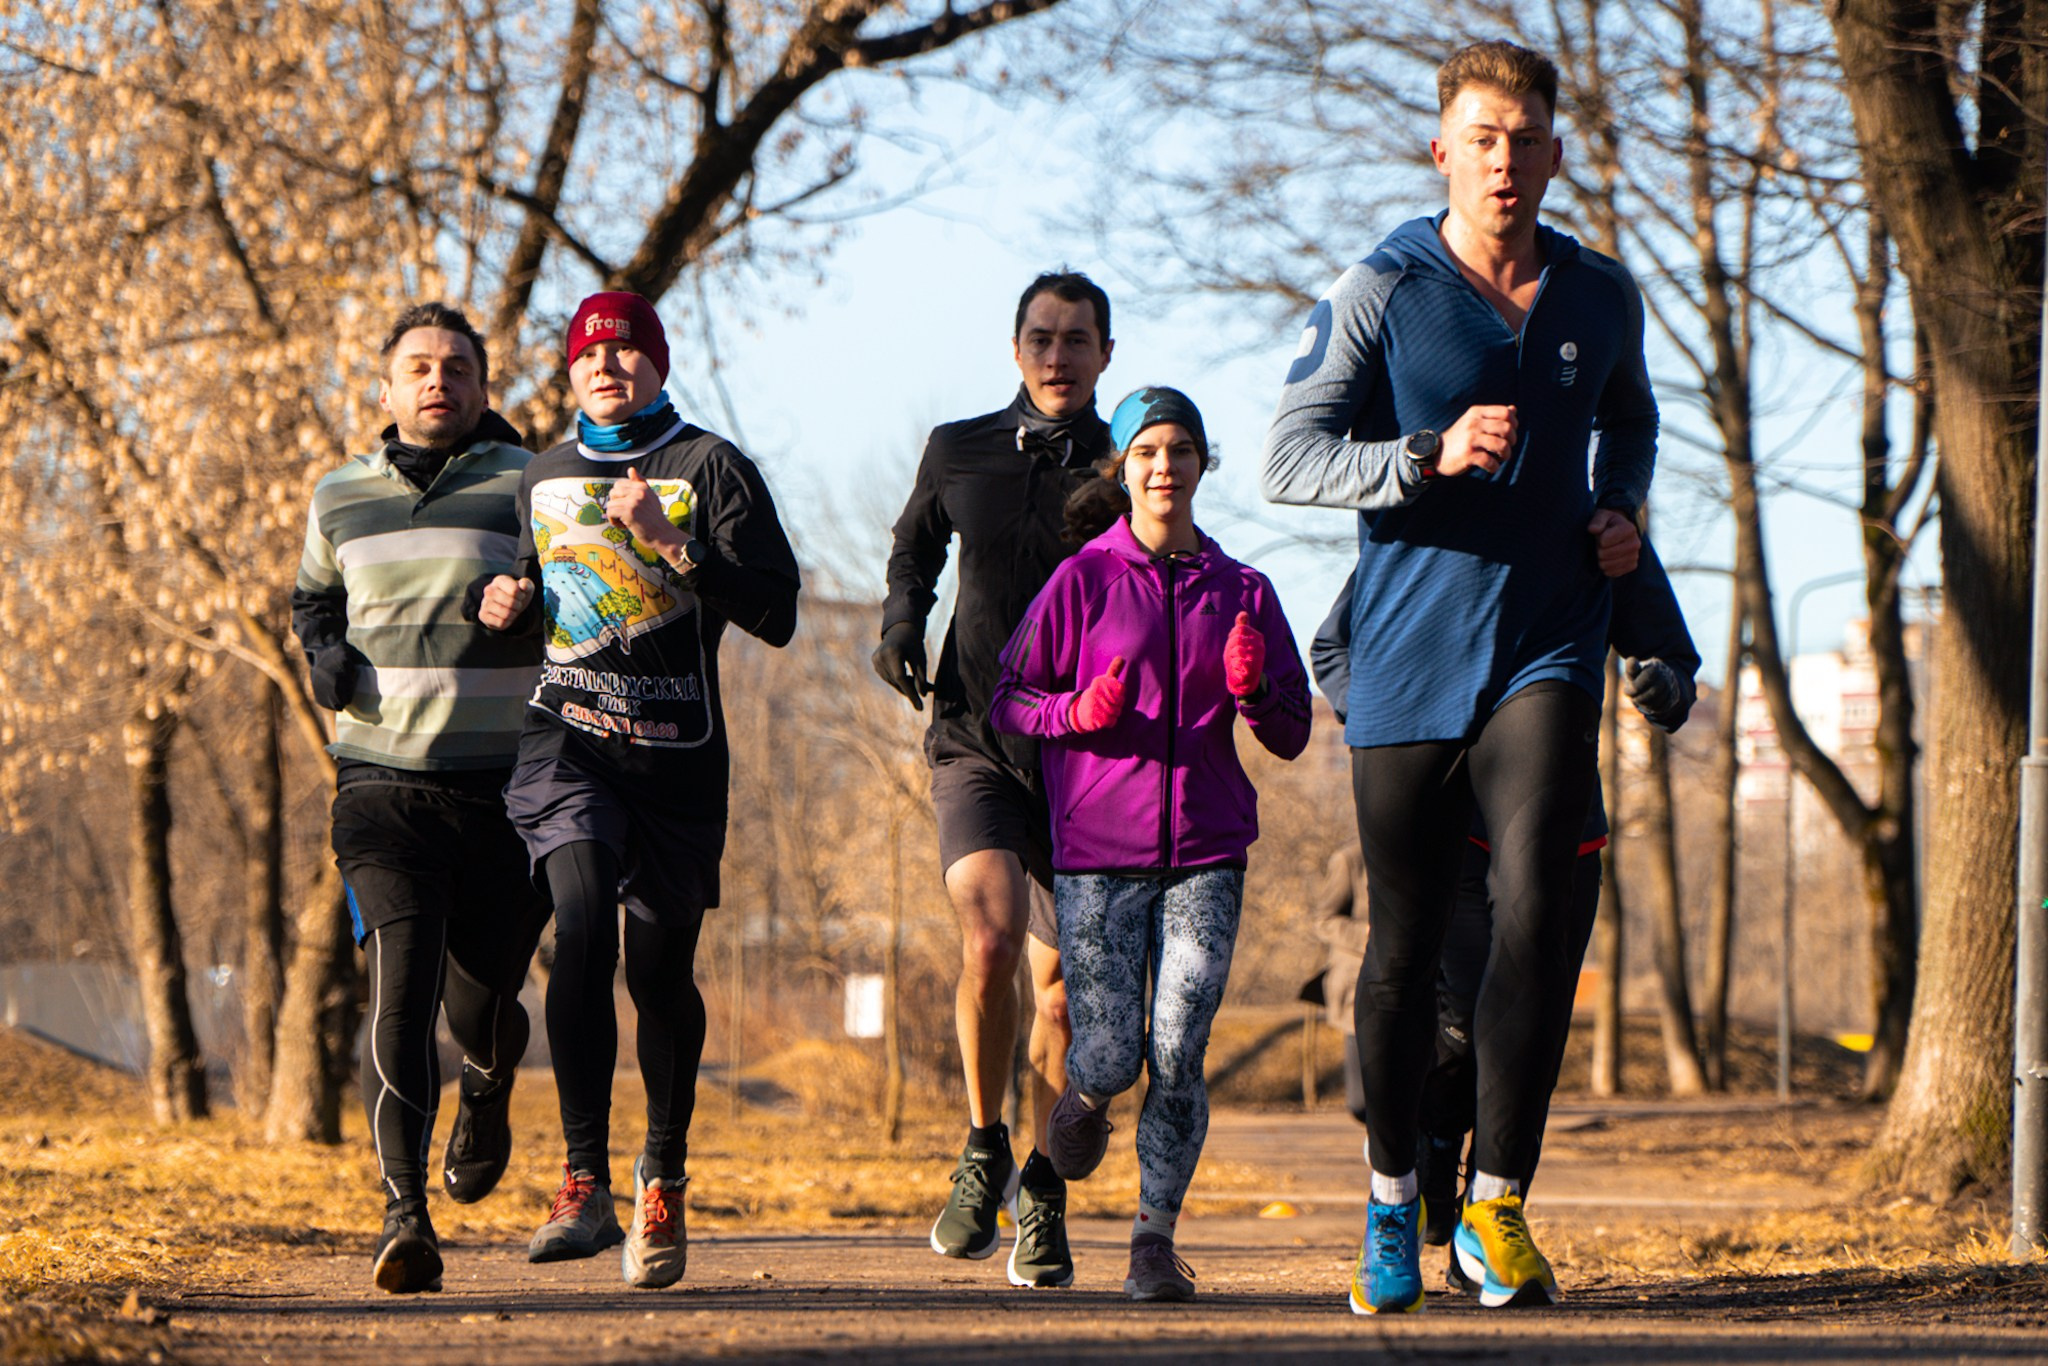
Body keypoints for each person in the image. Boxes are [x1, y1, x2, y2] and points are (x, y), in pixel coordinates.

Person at [1261, 39, 1659, 1313]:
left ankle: (1494, 1205)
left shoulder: (1597, 294)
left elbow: (1631, 416)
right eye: (1482, 138)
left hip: (1546, 644)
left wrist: (1618, 505)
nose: (1504, 160)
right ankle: (1392, 1202)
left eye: (1525, 138)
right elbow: (1287, 459)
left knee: (1540, 908)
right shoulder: (1382, 286)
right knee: (1402, 950)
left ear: (1553, 153)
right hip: (1404, 661)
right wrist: (1421, 455)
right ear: (1441, 150)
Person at [475, 291, 800, 1290]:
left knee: (659, 975)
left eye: (624, 352)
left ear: (657, 363)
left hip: (677, 760)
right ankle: (583, 1181)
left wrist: (674, 542)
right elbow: (538, 598)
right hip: (567, 745)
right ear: (570, 372)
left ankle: (661, 1176)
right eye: (588, 355)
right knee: (580, 927)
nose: (604, 367)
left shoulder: (710, 467)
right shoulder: (543, 474)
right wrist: (503, 606)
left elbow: (778, 612)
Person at [991, 386, 1313, 1301]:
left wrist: (1254, 693)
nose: (1164, 466)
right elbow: (1009, 700)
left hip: (1207, 853)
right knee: (1107, 1055)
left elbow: (1293, 731)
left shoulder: (1244, 591)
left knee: (1178, 1048)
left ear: (1202, 465)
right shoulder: (1082, 581)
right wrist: (1077, 712)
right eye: (1146, 451)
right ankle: (1086, 1097)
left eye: (1180, 450)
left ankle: (1152, 1242)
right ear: (1123, 469)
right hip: (1097, 856)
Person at [1311, 542, 1699, 1283]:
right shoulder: (1428, 521)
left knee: (1532, 1034)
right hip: (1452, 828)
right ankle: (1430, 1141)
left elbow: (1671, 653)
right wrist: (1393, 724)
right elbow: (1335, 646)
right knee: (1461, 1024)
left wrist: (1666, 686)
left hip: (1559, 828)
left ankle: (1493, 1220)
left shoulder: (1591, 526)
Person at [291, 302, 550, 1295]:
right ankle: (404, 1213)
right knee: (397, 989)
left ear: (483, 386)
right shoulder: (339, 494)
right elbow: (314, 598)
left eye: (457, 367)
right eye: (418, 367)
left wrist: (529, 602)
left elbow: (581, 597)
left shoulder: (530, 482)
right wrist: (324, 652)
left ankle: (487, 1080)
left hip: (504, 790)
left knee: (480, 1008)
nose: (437, 380)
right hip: (379, 785)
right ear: (388, 387)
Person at [876, 271, 1116, 1287]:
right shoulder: (958, 447)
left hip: (1088, 758)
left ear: (1105, 355)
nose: (1058, 356)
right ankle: (983, 1150)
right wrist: (900, 624)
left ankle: (1042, 1194)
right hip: (974, 732)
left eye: (1077, 339)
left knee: (1062, 999)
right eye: (1041, 338)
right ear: (1015, 349)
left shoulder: (1127, 461)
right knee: (986, 937)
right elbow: (913, 551)